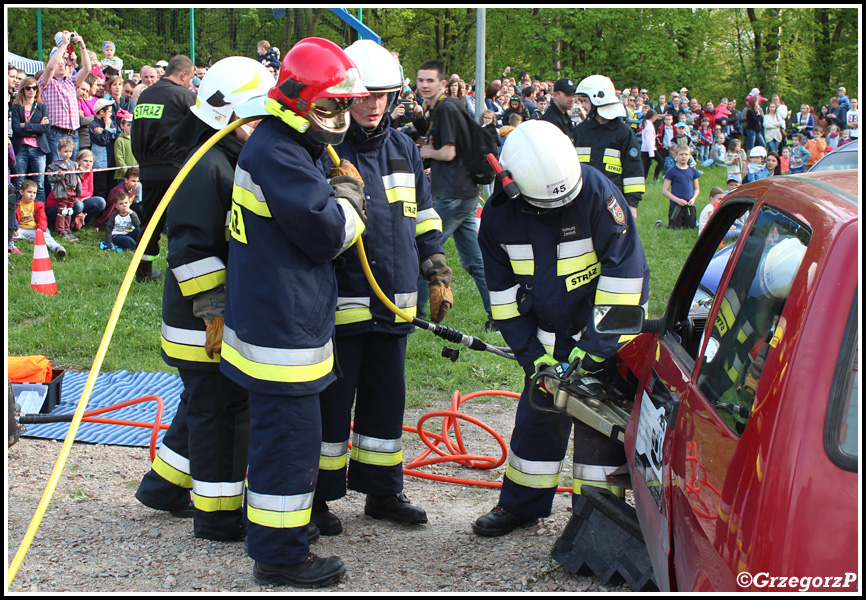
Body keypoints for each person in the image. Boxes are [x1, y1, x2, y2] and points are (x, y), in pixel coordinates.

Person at [219, 38, 368, 589]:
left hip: (274, 318)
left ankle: (280, 538)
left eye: (343, 106)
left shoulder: (280, 144)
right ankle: (280, 556)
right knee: (287, 447)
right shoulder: (280, 152)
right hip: (282, 333)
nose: (340, 119)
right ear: (302, 101)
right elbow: (329, 234)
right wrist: (352, 200)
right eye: (330, 106)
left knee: (283, 440)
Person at [473, 119, 649, 537]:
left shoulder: (596, 191)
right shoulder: (498, 219)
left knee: (601, 427)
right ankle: (521, 504)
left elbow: (625, 281)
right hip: (547, 339)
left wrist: (592, 352)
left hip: (603, 336)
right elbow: (502, 299)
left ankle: (598, 516)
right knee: (537, 418)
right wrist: (535, 358)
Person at [311, 39, 451, 538]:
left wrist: (436, 268)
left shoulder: (403, 147)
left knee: (386, 399)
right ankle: (318, 498)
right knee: (332, 402)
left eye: (384, 96)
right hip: (343, 302)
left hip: (395, 301)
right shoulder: (326, 146)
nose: (373, 105)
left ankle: (383, 490)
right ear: (347, 94)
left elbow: (425, 215)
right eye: (365, 95)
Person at [135, 57, 275, 548]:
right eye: (254, 117)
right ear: (226, 116)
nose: (262, 126)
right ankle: (217, 518)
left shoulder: (228, 158)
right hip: (202, 325)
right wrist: (214, 311)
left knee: (202, 405)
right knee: (221, 415)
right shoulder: (205, 168)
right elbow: (191, 252)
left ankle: (161, 488)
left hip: (211, 319)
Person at [415, 59, 493, 329]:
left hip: (454, 195)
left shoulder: (446, 108)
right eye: (420, 80)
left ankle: (417, 315)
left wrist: (425, 152)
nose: (424, 85)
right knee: (474, 261)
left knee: (425, 251)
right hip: (465, 194)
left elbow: (448, 152)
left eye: (430, 81)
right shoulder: (440, 108)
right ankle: (497, 315)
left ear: (443, 84)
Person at [131, 55, 197, 282]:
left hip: (148, 169)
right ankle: (183, 273)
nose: (190, 83)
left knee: (150, 223)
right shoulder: (185, 96)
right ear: (183, 75)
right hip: (176, 168)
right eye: (190, 78)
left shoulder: (145, 95)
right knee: (183, 222)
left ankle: (143, 271)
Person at [572, 75, 645, 219]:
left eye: (585, 101)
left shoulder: (623, 132)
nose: (583, 106)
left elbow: (633, 170)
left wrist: (632, 204)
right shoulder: (580, 131)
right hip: (583, 198)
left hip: (613, 199)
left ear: (598, 100)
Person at [39, 31, 92, 163]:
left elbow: (87, 69)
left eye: (63, 61)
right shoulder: (46, 82)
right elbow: (51, 66)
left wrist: (82, 46)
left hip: (73, 133)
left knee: (71, 170)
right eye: (59, 62)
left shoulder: (70, 81)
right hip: (55, 133)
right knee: (56, 169)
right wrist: (64, 45)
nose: (61, 64)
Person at [11, 77, 51, 204]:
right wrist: (36, 128)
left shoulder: (41, 106)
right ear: (23, 89)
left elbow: (46, 128)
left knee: (39, 183)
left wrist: (26, 125)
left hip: (38, 148)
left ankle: (40, 215)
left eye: (34, 88)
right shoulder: (17, 106)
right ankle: (18, 216)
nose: (31, 90)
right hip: (21, 147)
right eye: (28, 88)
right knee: (19, 183)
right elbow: (16, 128)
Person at [13, 179, 66, 257]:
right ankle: (22, 242)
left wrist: (40, 229)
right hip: (20, 229)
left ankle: (57, 248)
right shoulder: (15, 205)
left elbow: (42, 219)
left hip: (34, 229)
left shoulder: (39, 205)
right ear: (21, 192)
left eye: (34, 193)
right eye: (29, 192)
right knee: (8, 234)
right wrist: (14, 228)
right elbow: (12, 218)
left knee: (46, 236)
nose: (32, 195)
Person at [45, 135, 81, 241]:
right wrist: (58, 176)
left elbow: (78, 176)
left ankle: (67, 229)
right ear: (59, 151)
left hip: (73, 190)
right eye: (65, 151)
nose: (68, 154)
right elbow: (50, 178)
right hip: (62, 191)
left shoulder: (74, 164)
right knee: (62, 211)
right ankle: (61, 230)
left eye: (70, 151)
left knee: (70, 210)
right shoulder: (54, 165)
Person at [662, 143, 700, 229]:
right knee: (674, 229)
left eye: (686, 154)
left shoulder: (693, 171)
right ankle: (659, 225)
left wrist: (693, 199)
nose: (684, 156)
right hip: (676, 206)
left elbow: (697, 189)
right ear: (676, 156)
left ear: (690, 156)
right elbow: (664, 191)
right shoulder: (671, 171)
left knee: (690, 228)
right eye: (681, 154)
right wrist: (678, 200)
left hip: (689, 206)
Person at [89, 98, 118, 199]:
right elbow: (104, 140)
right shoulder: (94, 125)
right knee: (101, 189)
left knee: (111, 189)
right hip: (100, 164)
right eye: (109, 111)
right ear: (102, 112)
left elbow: (117, 135)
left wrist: (105, 130)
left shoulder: (112, 122)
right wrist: (107, 128)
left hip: (111, 162)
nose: (111, 113)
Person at [73, 148, 107, 228]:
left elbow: (90, 192)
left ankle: (82, 223)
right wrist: (81, 197)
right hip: (71, 201)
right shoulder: (73, 172)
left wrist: (80, 196)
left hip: (81, 199)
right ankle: (71, 224)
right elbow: (73, 193)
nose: (88, 164)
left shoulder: (90, 171)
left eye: (91, 161)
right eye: (85, 161)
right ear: (78, 161)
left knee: (101, 202)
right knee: (79, 205)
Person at [113, 110, 136, 184]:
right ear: (122, 126)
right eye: (128, 125)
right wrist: (127, 173)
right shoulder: (119, 141)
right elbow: (119, 159)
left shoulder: (137, 139)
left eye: (132, 125)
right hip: (123, 177)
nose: (131, 127)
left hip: (136, 176)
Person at [639, 109, 656, 178]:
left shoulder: (646, 123)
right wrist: (651, 152)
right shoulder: (649, 126)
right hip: (648, 148)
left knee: (645, 165)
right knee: (646, 166)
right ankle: (654, 178)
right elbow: (648, 140)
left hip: (645, 148)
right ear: (653, 116)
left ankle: (644, 179)